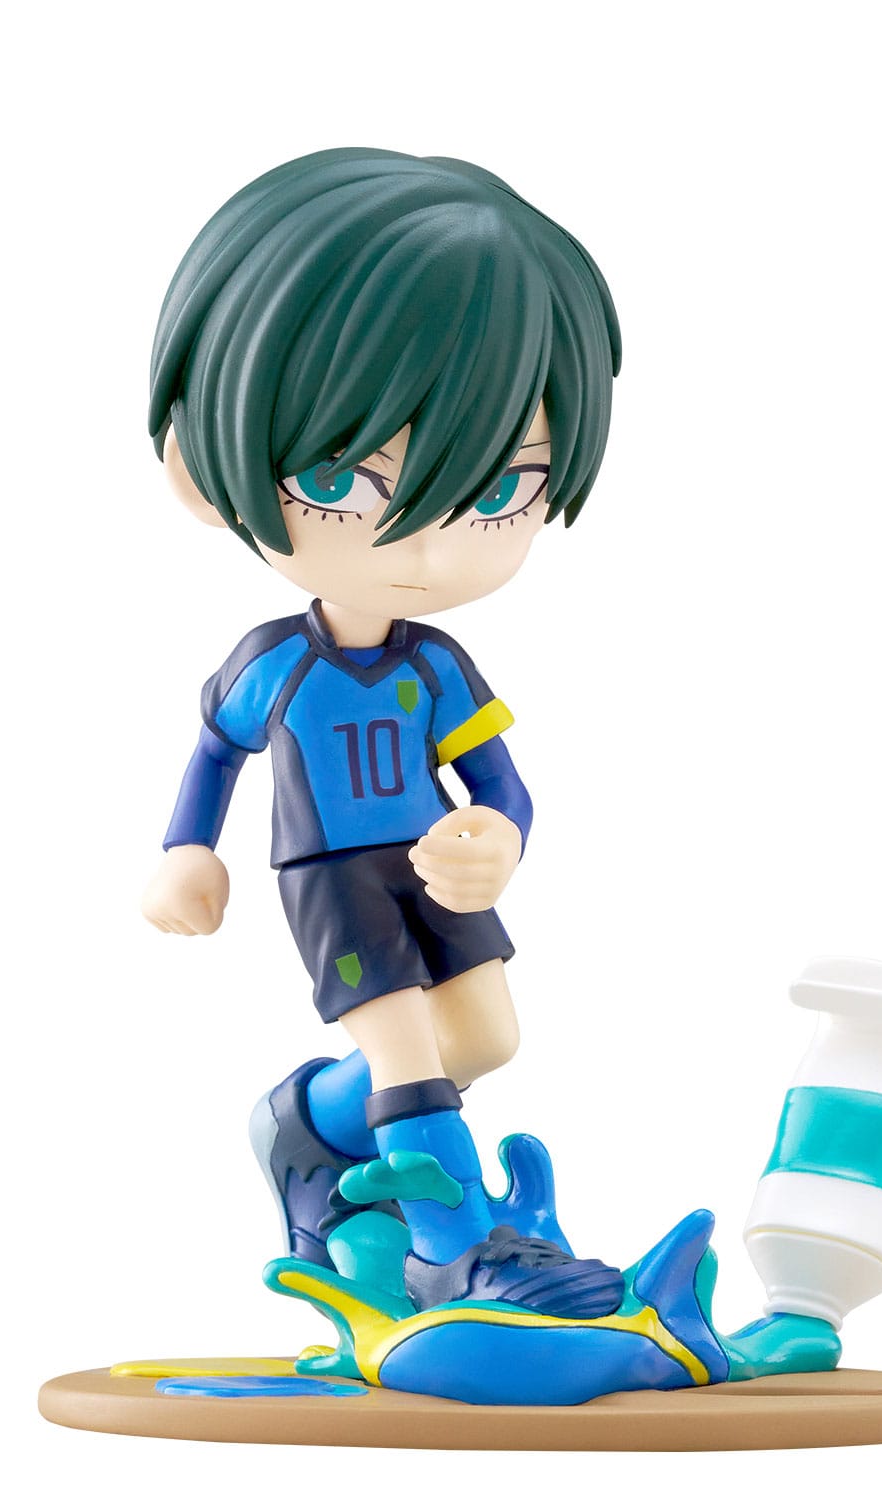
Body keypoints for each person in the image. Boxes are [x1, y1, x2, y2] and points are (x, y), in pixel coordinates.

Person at [141, 149, 623, 1318]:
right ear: (203, 474)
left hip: (429, 866)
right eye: (342, 478)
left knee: (484, 1037)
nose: (427, 545)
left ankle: (305, 1127)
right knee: (408, 1052)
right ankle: (453, 1247)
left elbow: (500, 782)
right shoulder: (275, 664)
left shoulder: (437, 665)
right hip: (331, 875)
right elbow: (215, 755)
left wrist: (499, 838)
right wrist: (184, 850)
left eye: (499, 489)